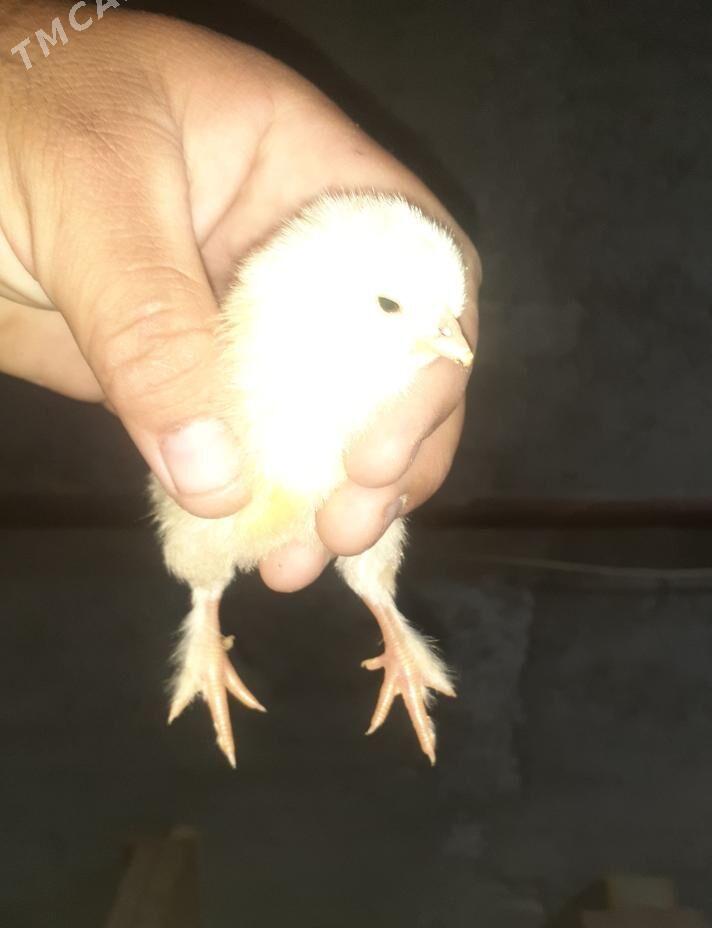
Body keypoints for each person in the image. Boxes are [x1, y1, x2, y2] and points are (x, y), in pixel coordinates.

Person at [0, 3, 480, 590]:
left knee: (372, 495)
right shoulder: (271, 344)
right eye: (389, 306)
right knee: (344, 493)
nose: (453, 336)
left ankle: (381, 607)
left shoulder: (366, 366)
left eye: (447, 316)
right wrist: (18, 51)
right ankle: (207, 603)